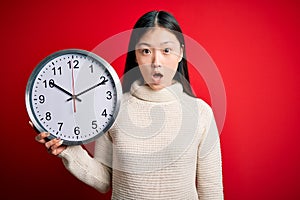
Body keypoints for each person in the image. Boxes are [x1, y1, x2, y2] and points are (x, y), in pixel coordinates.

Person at [32, 10, 224, 199]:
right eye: (146, 51)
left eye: (166, 50)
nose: (157, 62)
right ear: (136, 55)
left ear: (180, 52)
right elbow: (104, 180)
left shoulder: (201, 113)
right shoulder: (114, 109)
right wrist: (68, 150)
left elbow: (211, 191)